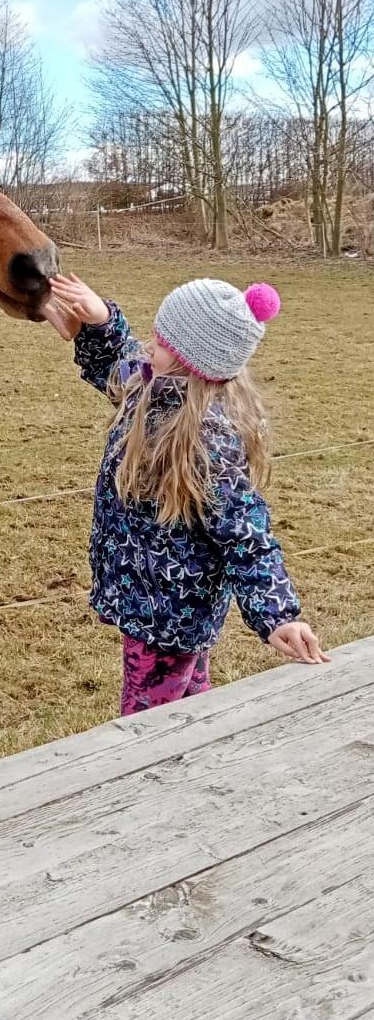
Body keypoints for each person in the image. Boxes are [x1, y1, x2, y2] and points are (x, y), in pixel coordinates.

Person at [47, 272, 329, 716]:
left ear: (188, 361)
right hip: (152, 603)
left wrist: (279, 615)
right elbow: (117, 366)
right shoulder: (153, 387)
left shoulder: (206, 440)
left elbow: (246, 537)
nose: (148, 349)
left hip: (168, 619)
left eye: (159, 343)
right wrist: (99, 322)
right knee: (190, 709)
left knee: (147, 726)